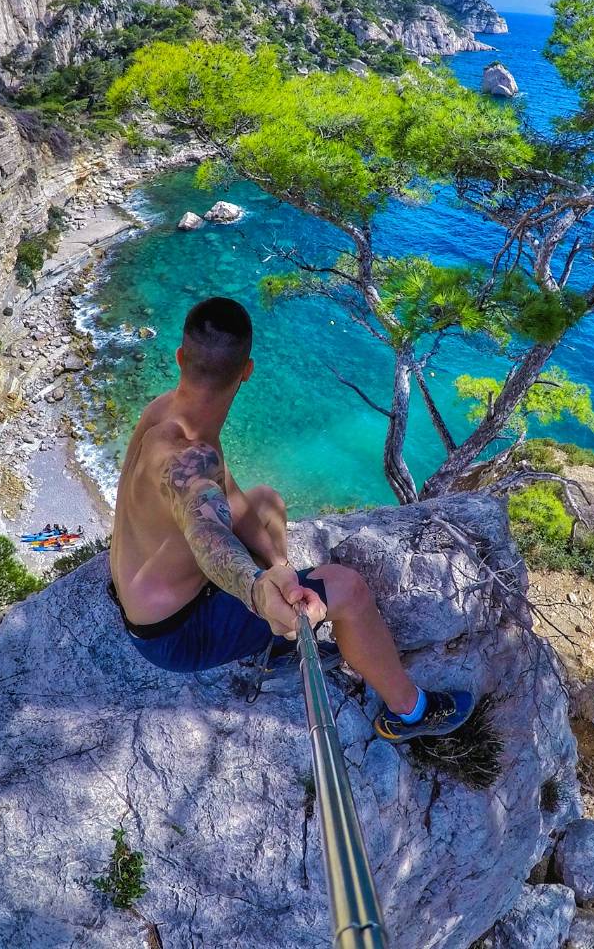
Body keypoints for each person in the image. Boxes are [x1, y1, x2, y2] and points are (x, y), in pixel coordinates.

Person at [109, 297, 474, 742]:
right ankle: (409, 712)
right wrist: (257, 589)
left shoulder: (166, 410)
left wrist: (279, 569)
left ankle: (276, 635)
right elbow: (203, 527)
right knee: (348, 589)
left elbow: (232, 501)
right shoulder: (187, 455)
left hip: (144, 592)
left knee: (267, 500)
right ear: (247, 371)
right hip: (174, 632)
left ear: (181, 358)